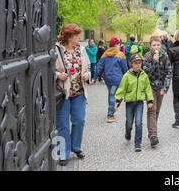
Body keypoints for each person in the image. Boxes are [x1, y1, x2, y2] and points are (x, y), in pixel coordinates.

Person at [55, 24, 91, 166]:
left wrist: (87, 75)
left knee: (79, 121)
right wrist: (58, 74)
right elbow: (47, 68)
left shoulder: (81, 49)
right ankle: (63, 153)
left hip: (79, 92)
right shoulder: (57, 50)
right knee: (62, 124)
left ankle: (76, 147)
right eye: (76, 35)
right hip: (63, 93)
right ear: (68, 36)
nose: (79, 38)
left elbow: (88, 68)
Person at [115, 54, 154, 152]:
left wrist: (150, 100)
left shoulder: (144, 75)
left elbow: (148, 89)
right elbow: (122, 88)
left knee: (138, 123)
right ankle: (128, 132)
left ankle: (138, 144)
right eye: (135, 63)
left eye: (139, 63)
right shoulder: (127, 76)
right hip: (129, 102)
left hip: (139, 102)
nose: (137, 65)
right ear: (131, 64)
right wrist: (118, 100)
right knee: (129, 122)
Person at [143, 36, 173, 147]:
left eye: (158, 45)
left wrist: (165, 88)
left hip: (160, 87)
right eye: (154, 45)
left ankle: (151, 131)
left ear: (161, 45)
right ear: (150, 46)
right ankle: (153, 136)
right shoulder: (147, 57)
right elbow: (146, 73)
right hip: (150, 87)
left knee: (157, 111)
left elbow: (169, 73)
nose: (156, 47)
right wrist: (155, 62)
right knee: (152, 109)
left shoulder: (165, 57)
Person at [92, 37, 128, 123]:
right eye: (119, 44)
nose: (119, 46)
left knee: (111, 95)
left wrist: (94, 78)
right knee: (115, 96)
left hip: (107, 78)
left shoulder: (105, 53)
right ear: (115, 45)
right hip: (117, 79)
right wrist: (127, 77)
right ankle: (110, 115)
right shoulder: (121, 54)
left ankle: (112, 109)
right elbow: (124, 68)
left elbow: (99, 66)